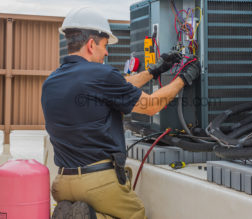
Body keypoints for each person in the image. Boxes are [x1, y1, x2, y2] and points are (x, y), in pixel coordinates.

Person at [41, 7, 200, 219]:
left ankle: (73, 214)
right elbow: (152, 105)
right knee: (136, 214)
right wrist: (184, 78)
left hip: (62, 183)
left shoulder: (52, 81)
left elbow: (120, 85)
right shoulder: (101, 75)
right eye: (105, 46)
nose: (107, 53)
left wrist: (155, 71)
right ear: (91, 44)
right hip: (97, 182)